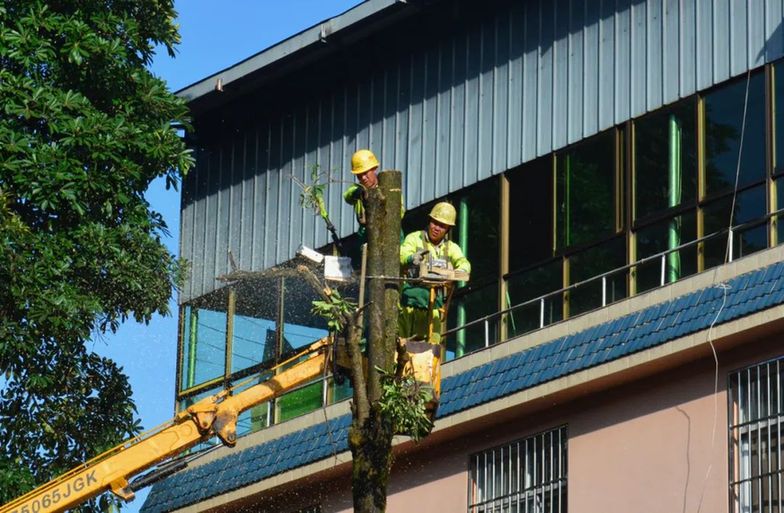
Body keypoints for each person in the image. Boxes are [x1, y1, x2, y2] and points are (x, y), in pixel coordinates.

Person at [399, 202, 471, 345]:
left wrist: (460, 271)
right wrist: (411, 258)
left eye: (442, 226)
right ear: (430, 221)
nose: (436, 228)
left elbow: (463, 263)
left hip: (434, 307)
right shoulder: (414, 238)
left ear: (448, 229)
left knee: (432, 350)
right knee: (404, 345)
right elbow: (402, 254)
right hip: (410, 303)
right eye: (435, 223)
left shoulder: (450, 248)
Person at [343, 149, 379, 243]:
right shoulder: (357, 188)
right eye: (359, 175)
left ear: (374, 168)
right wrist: (356, 192)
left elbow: (400, 211)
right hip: (364, 232)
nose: (363, 178)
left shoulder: (387, 187)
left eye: (365, 173)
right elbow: (347, 196)